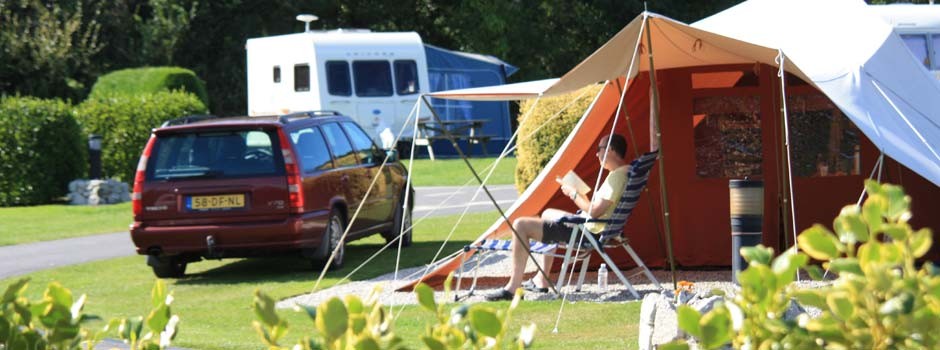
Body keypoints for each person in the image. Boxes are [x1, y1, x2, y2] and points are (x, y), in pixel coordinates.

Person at [486, 112, 660, 301]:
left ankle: (512, 288)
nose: (597, 153)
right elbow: (597, 208)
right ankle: (542, 279)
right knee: (547, 212)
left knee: (520, 224)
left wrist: (574, 194)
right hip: (595, 226)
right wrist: (581, 195)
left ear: (609, 149)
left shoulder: (617, 176)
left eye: (599, 149)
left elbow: (594, 211)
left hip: (586, 231)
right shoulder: (625, 173)